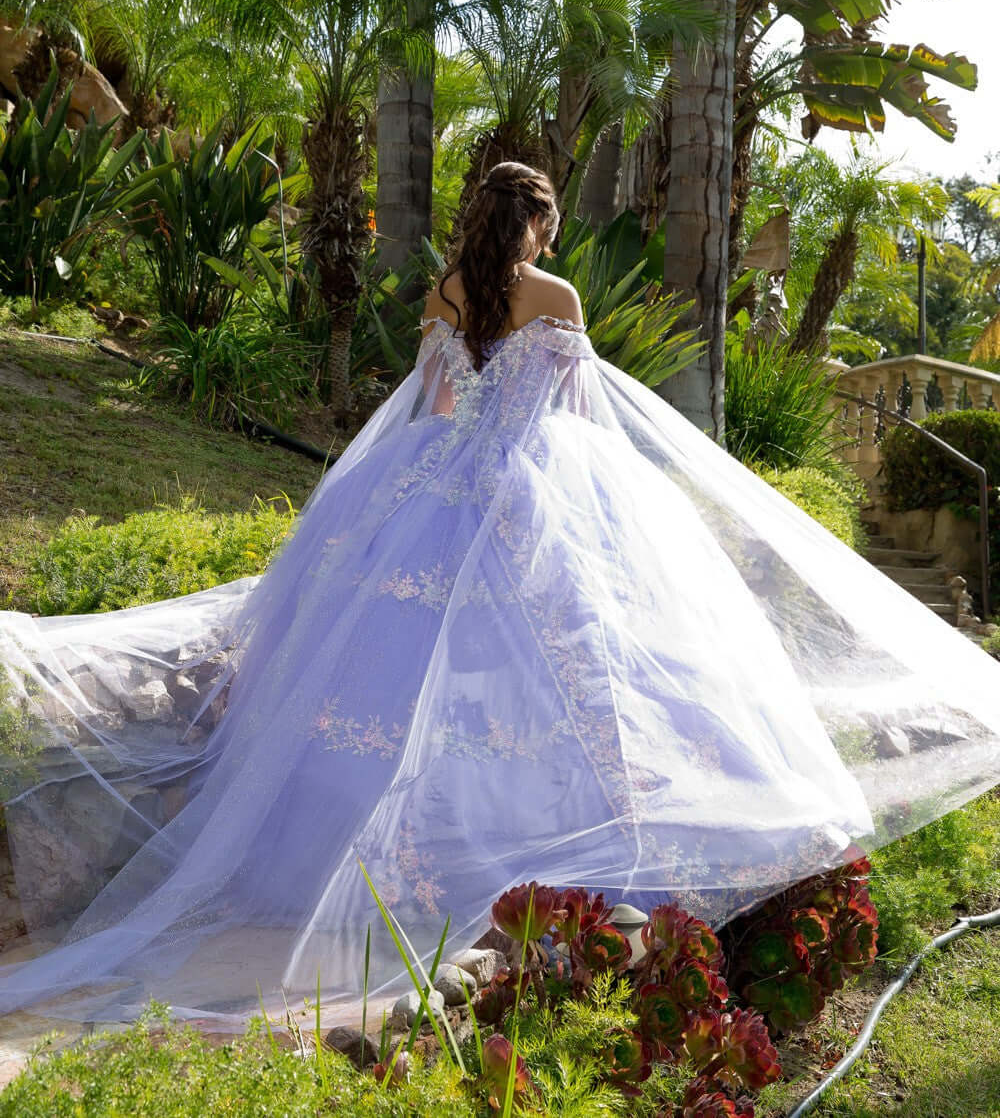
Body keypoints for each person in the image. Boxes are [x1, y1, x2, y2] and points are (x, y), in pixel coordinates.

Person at [0, 159, 999, 1030]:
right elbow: (575, 403)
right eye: (549, 223)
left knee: (392, 667)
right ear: (538, 227)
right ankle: (544, 849)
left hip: (430, 487)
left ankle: (352, 853)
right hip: (528, 490)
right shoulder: (556, 298)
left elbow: (434, 401)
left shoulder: (444, 291)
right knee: (555, 667)